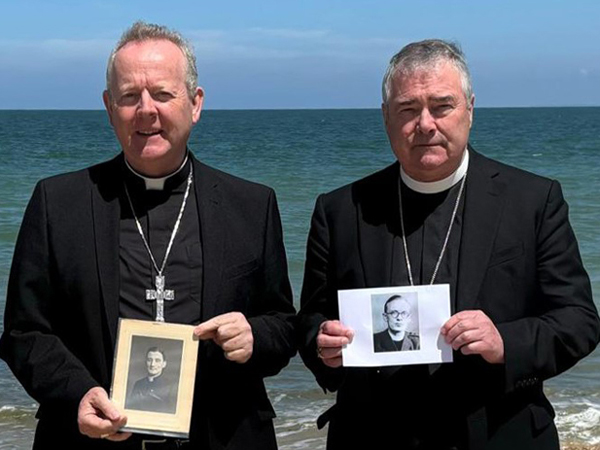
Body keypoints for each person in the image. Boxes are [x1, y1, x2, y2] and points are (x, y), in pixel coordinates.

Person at [0, 21, 295, 450]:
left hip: (223, 436)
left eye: (162, 94)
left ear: (195, 103)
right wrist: (78, 393)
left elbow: (284, 325)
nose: (145, 110)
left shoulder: (251, 205)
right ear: (108, 106)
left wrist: (254, 336)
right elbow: (23, 332)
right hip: (93, 437)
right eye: (128, 96)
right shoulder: (57, 202)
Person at [297, 39, 600, 449]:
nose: (425, 124)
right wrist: (323, 345)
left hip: (498, 432)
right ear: (386, 117)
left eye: (442, 106)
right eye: (407, 109)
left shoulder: (532, 200)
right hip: (372, 435)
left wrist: (504, 343)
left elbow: (579, 321)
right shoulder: (339, 210)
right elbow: (311, 318)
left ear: (470, 109)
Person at [126, 347, 177, 414]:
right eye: (149, 360)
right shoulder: (138, 384)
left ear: (164, 364)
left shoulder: (171, 386)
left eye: (157, 360)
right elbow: (131, 409)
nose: (152, 364)